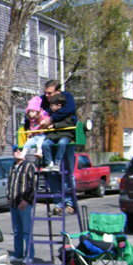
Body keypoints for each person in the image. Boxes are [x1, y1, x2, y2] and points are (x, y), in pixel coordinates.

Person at [38, 79, 78, 213]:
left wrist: (51, 119)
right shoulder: (43, 100)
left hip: (65, 139)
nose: (47, 96)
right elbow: (35, 111)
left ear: (58, 91)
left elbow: (69, 110)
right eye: (46, 93)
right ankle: (58, 205)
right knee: (51, 174)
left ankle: (69, 204)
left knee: (66, 172)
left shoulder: (67, 98)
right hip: (50, 138)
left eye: (50, 93)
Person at [7, 145, 36, 263]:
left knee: (26, 230)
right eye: (15, 150)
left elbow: (33, 185)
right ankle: (18, 253)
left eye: (20, 150)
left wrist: (27, 200)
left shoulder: (29, 166)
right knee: (16, 230)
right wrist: (8, 197)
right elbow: (9, 184)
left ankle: (29, 255)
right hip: (13, 204)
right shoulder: (12, 167)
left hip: (24, 203)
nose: (17, 152)